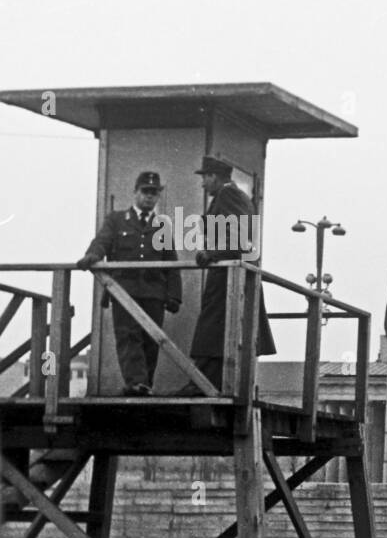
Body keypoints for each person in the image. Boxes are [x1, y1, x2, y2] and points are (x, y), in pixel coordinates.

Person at [77, 171, 181, 395]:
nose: (149, 197)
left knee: (151, 340)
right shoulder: (116, 220)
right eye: (145, 191)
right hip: (124, 291)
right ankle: (136, 383)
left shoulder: (162, 225)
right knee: (127, 336)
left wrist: (174, 295)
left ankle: (145, 385)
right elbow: (102, 241)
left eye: (154, 193)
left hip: (153, 293)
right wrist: (92, 255)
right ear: (135, 192)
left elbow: (171, 261)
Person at [182, 156, 275, 393]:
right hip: (233, 273)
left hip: (227, 273)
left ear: (214, 177)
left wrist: (210, 253)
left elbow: (239, 239)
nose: (203, 184)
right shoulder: (239, 197)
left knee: (212, 325)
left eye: (204, 178)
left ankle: (202, 383)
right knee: (220, 327)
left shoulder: (227, 196)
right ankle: (210, 382)